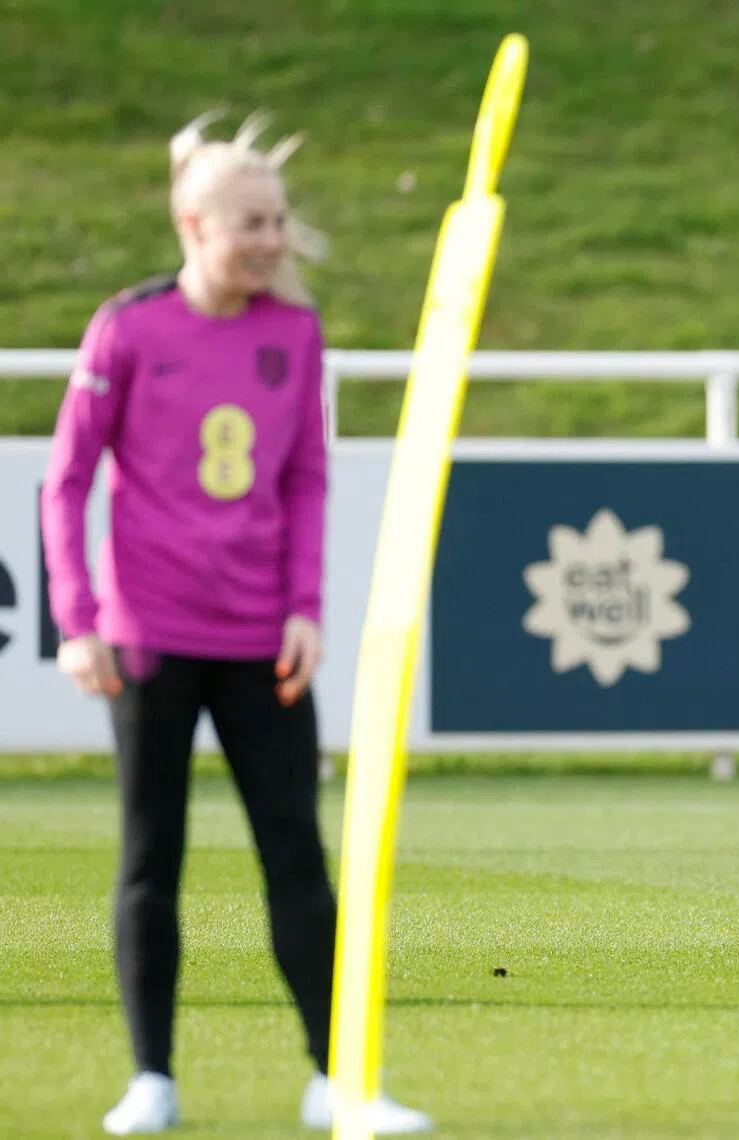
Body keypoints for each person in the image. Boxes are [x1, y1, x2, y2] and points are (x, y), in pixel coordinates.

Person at [41, 112, 432, 1135]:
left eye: (278, 220)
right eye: (251, 222)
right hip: (148, 644)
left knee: (297, 856)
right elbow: (65, 481)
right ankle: (152, 1080)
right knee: (148, 857)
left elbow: (306, 479)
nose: (272, 239)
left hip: (263, 642)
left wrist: (306, 607)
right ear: (192, 222)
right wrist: (78, 619)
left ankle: (339, 1081)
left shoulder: (293, 334)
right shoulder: (125, 327)